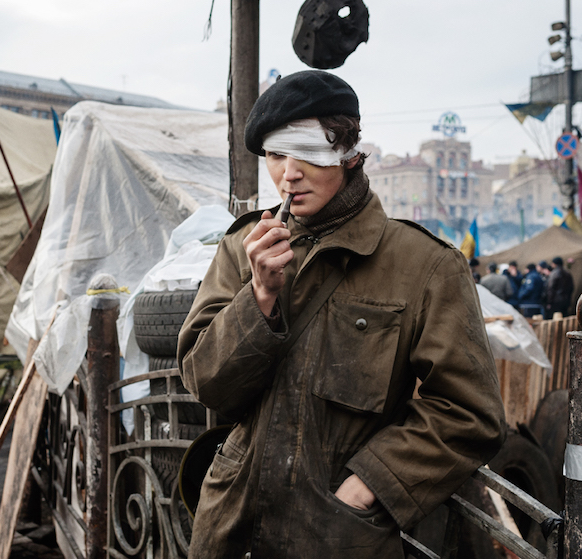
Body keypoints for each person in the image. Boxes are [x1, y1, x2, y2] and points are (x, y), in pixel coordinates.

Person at [177, 70, 505, 559]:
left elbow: (469, 412)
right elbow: (206, 384)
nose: (289, 173)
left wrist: (370, 483)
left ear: (349, 153)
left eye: (308, 152)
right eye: (275, 154)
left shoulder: (424, 265)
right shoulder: (242, 247)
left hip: (338, 538)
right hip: (230, 531)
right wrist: (260, 297)